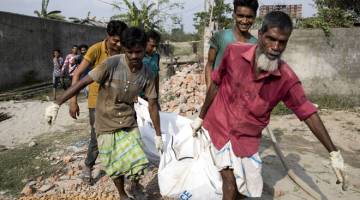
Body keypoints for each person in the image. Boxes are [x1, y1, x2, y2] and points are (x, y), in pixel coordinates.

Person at [191, 11, 347, 199]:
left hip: (246, 140)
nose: (275, 47)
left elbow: (307, 112)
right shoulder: (233, 52)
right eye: (271, 39)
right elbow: (216, 83)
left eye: (282, 42)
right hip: (219, 128)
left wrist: (333, 152)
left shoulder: (286, 78)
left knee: (244, 191)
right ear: (260, 35)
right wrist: (201, 116)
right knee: (229, 184)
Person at [45, 27, 163, 199]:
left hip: (128, 121)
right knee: (114, 165)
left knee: (138, 161)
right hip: (105, 122)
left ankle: (135, 186)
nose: (135, 57)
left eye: (139, 52)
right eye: (130, 52)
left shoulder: (147, 73)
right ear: (124, 49)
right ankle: (122, 194)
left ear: (145, 48)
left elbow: (152, 103)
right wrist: (57, 103)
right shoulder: (112, 64)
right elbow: (83, 81)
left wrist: (158, 134)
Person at [69, 20, 128, 183]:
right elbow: (76, 75)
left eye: (121, 41)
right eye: (115, 40)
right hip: (96, 102)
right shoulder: (95, 50)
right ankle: (88, 166)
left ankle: (120, 169)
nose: (118, 44)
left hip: (117, 100)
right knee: (97, 136)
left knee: (120, 134)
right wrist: (73, 101)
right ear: (107, 36)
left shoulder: (123, 51)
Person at [205, 0, 259, 89]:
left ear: (254, 17)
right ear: (233, 15)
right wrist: (209, 90)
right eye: (240, 16)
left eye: (249, 17)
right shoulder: (220, 37)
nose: (244, 21)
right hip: (217, 95)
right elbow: (210, 64)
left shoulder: (255, 45)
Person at [141, 30, 161, 107]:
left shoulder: (156, 56)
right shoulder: (138, 57)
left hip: (152, 96)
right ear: (145, 43)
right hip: (140, 97)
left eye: (156, 46)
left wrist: (156, 95)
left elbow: (156, 76)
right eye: (152, 46)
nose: (155, 49)